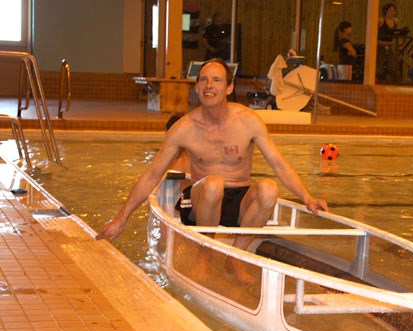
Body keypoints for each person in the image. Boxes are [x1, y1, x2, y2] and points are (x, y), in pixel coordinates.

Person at [95, 58, 329, 283]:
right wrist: (121, 218)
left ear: (229, 88)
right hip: (201, 199)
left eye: (216, 80)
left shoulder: (248, 121)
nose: (209, 85)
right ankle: (204, 256)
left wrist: (307, 197)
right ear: (197, 87)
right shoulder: (184, 127)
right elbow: (153, 174)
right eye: (204, 80)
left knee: (269, 189)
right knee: (214, 184)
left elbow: (278, 163)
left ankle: (235, 257)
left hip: (239, 198)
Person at [377, 3, 401, 82]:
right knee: (379, 66)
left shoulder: (396, 21)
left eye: (394, 11)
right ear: (385, 11)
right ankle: (377, 81)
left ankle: (390, 82)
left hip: (390, 45)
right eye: (391, 11)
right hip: (381, 44)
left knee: (392, 66)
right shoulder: (380, 20)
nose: (393, 13)